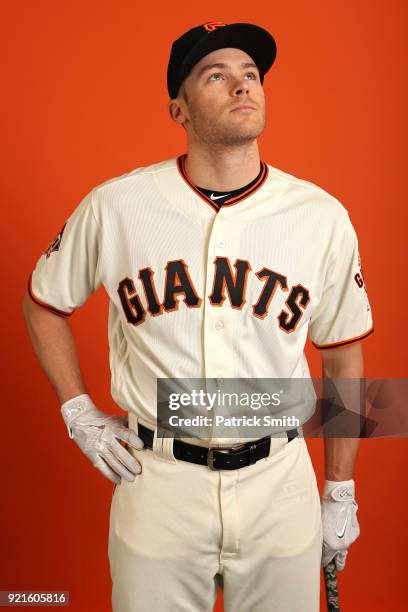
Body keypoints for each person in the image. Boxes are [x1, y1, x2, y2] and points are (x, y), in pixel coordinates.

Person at [22, 21, 373, 612]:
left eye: (251, 75)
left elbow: (342, 352)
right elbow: (43, 304)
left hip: (279, 481)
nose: (242, 86)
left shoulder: (321, 216)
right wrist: (77, 410)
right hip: (157, 479)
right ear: (178, 109)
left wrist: (340, 486)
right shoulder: (117, 205)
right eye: (217, 75)